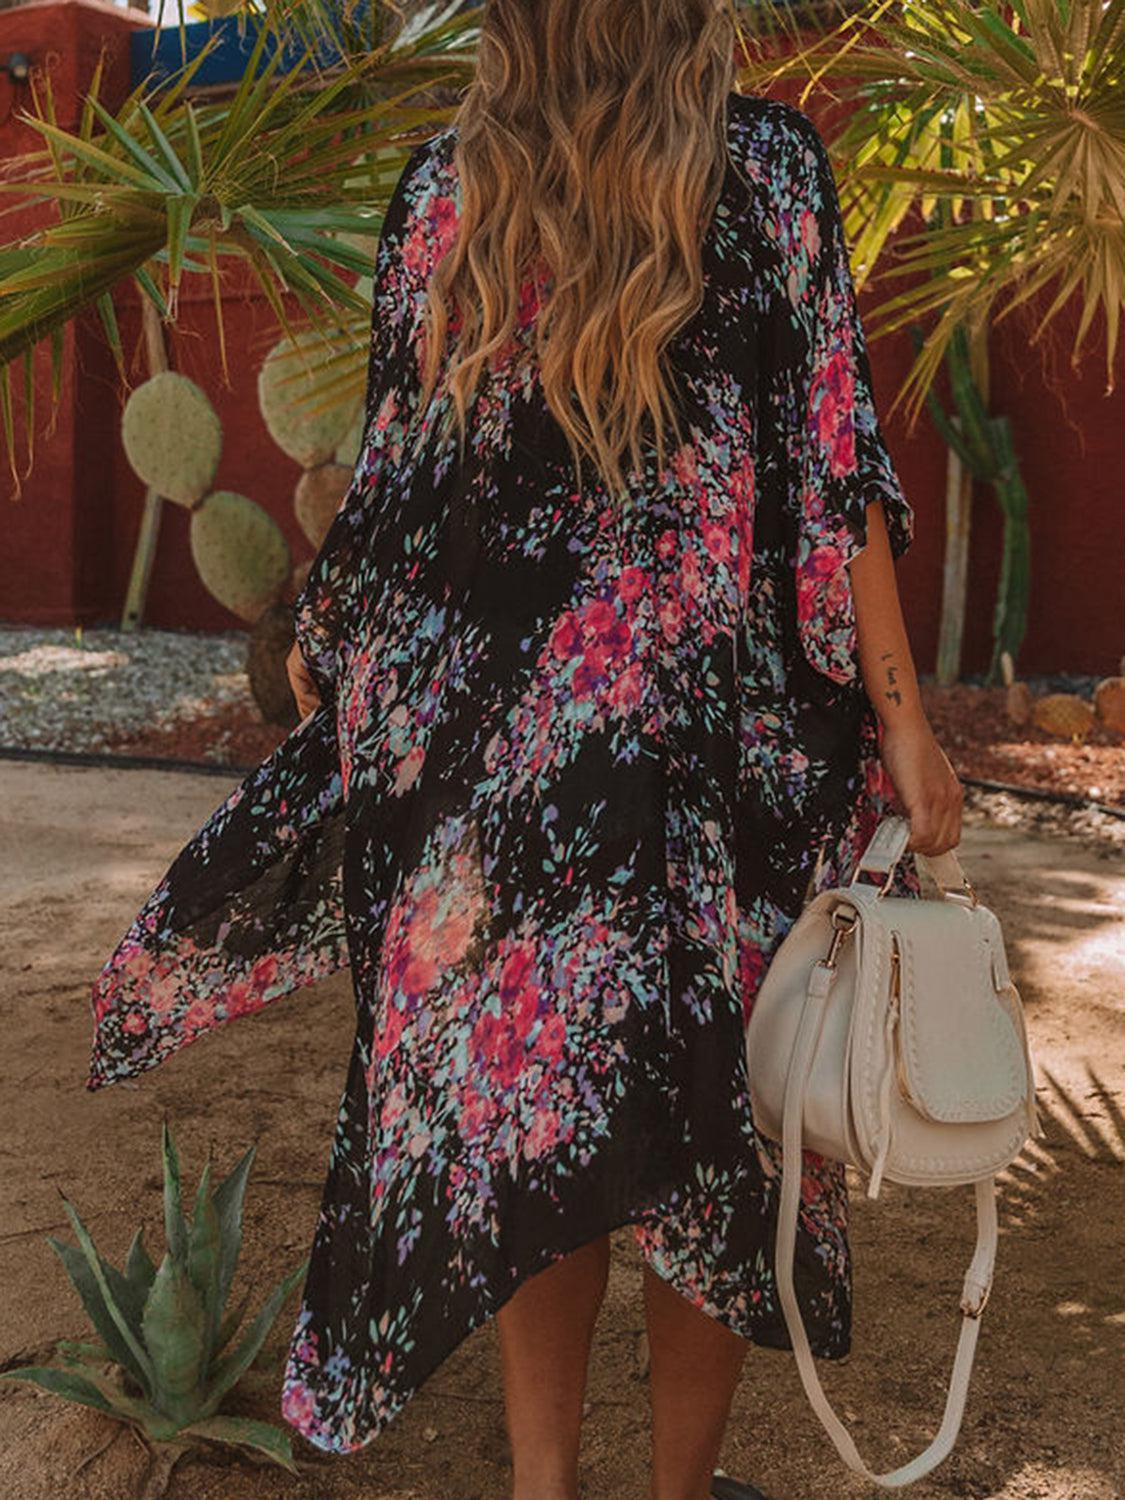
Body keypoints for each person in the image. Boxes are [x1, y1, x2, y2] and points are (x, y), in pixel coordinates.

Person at [89, 2, 962, 1498]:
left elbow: (389, 506)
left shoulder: (446, 193)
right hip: (713, 766)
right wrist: (902, 721)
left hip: (496, 785)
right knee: (712, 1145)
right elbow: (838, 476)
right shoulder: (760, 167)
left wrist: (339, 679)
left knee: (528, 1138)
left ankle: (542, 1488)